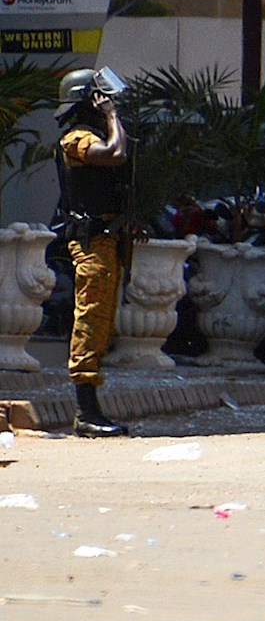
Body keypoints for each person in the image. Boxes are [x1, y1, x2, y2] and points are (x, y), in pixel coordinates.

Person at [52, 69, 133, 438]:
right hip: (90, 244)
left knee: (101, 323)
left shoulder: (91, 136)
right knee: (90, 321)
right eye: (99, 99)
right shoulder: (75, 139)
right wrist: (113, 116)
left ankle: (91, 408)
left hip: (106, 241)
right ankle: (86, 412)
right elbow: (115, 154)